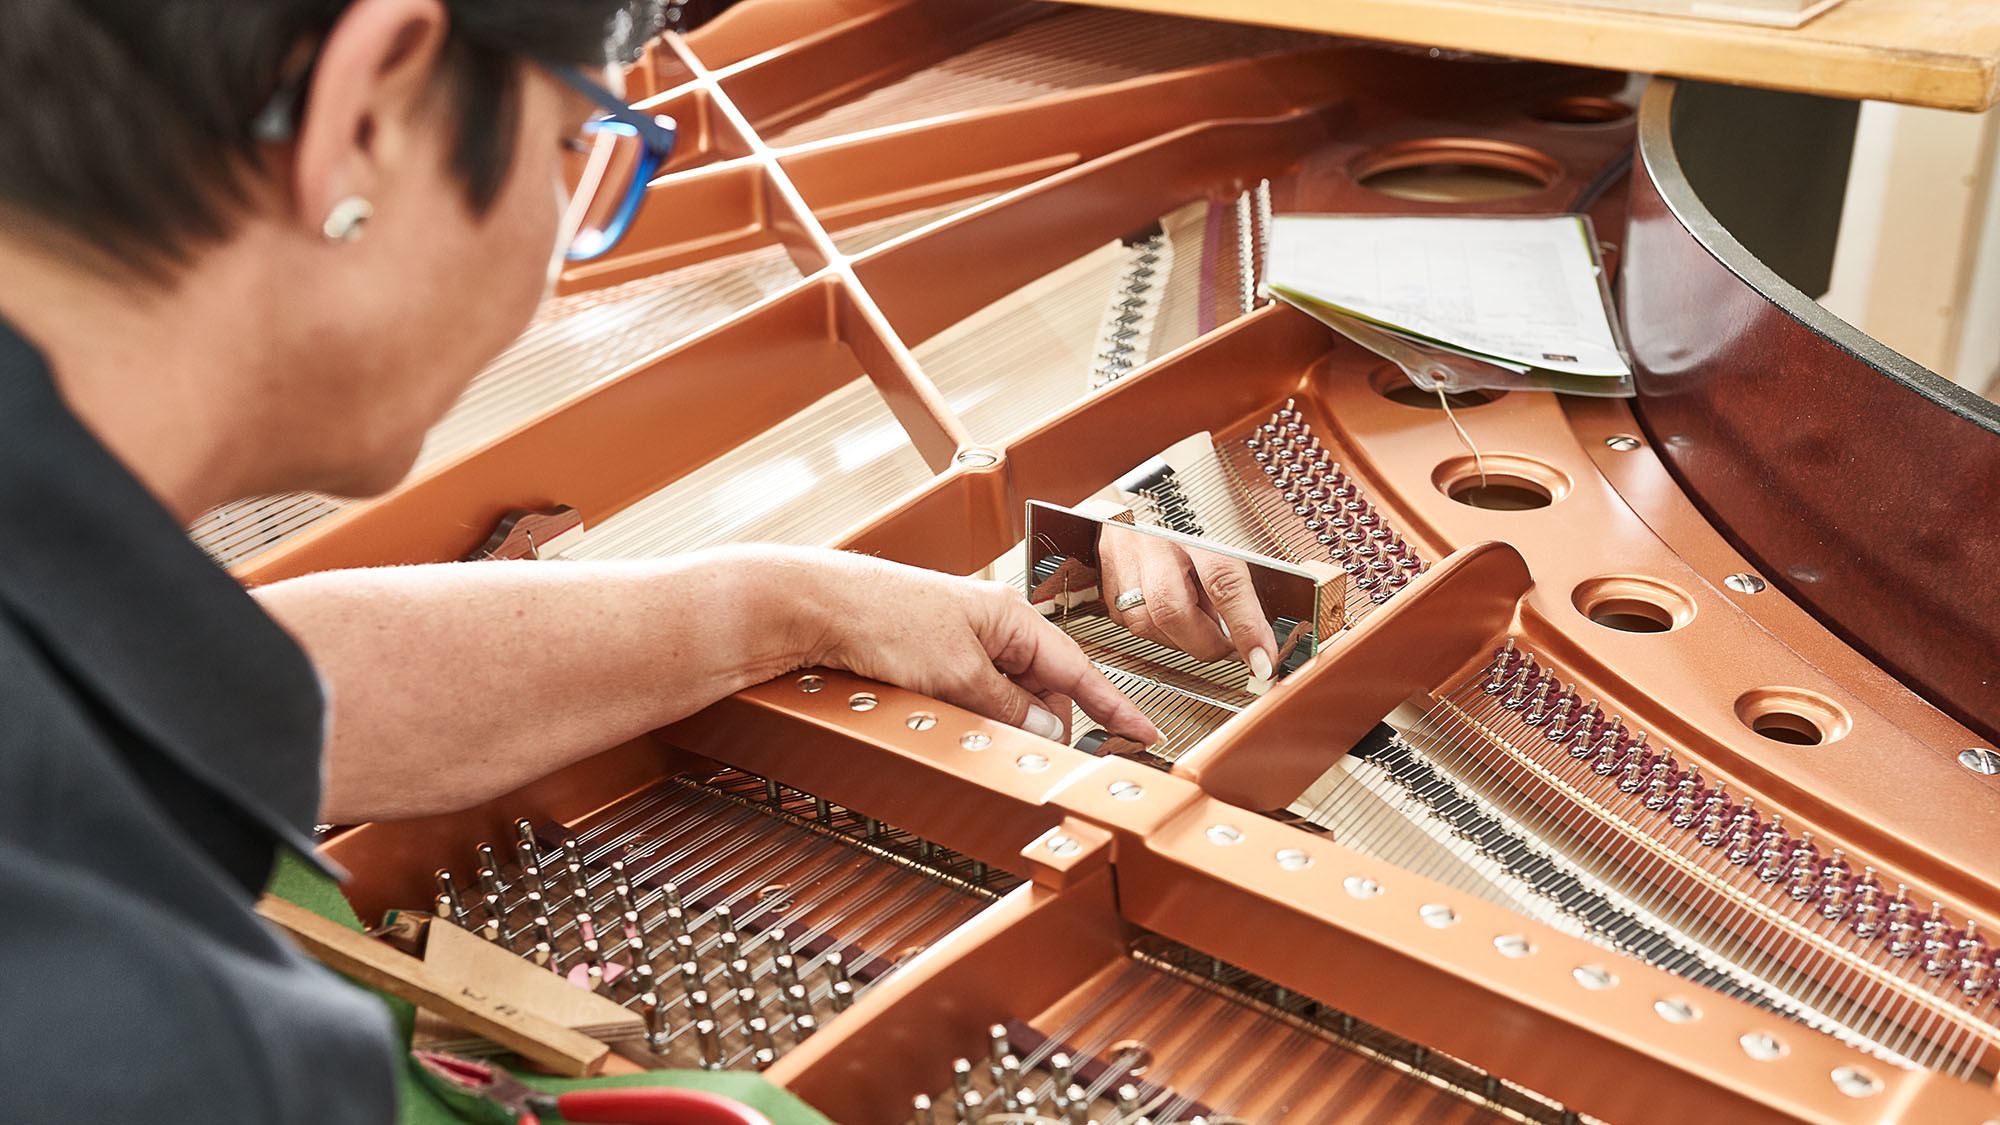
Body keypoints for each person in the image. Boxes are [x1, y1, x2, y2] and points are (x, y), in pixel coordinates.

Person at [0, 1, 1158, 1119]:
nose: (553, 268)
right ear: (370, 112)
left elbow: (231, 683)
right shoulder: (145, 1040)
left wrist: (784, 604)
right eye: (570, 149)